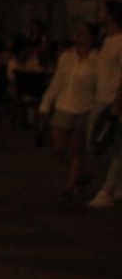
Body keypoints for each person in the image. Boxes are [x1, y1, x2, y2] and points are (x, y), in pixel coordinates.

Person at [39, 22, 103, 201]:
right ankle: (81, 174)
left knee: (76, 149)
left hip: (84, 107)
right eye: (77, 33)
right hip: (63, 104)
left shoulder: (96, 60)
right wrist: (46, 104)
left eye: (84, 33)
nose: (79, 37)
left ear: (92, 37)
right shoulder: (67, 57)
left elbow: (99, 84)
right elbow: (57, 81)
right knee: (58, 147)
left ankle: (71, 185)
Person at [89, 1, 122, 209]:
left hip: (113, 100)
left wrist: (118, 102)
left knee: (114, 147)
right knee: (98, 146)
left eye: (102, 11)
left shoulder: (120, 42)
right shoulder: (105, 41)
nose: (99, 15)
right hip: (101, 99)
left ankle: (108, 190)